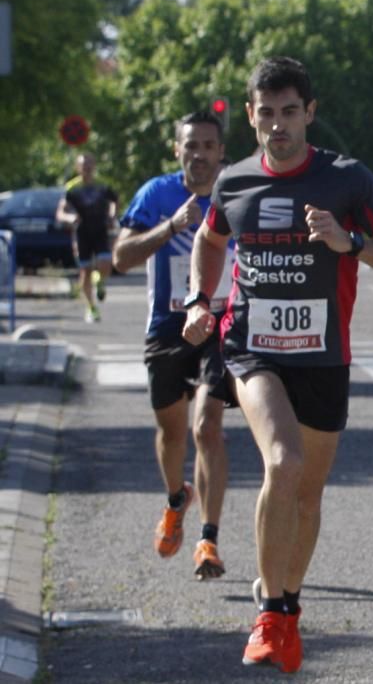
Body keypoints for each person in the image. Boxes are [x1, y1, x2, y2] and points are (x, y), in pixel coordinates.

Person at [183, 56, 373, 672]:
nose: (278, 125)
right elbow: (211, 242)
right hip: (251, 349)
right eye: (266, 113)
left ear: (309, 113)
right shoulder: (233, 182)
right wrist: (198, 300)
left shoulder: (345, 180)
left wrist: (353, 243)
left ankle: (287, 605)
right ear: (250, 116)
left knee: (308, 495)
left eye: (290, 112)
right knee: (282, 463)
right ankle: (269, 613)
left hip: (323, 357)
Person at [113, 110, 238, 580]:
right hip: (167, 327)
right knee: (172, 433)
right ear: (177, 150)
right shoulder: (156, 193)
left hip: (219, 325)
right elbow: (121, 259)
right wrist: (170, 226)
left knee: (207, 427)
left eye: (209, 146)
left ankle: (208, 539)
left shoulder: (236, 190)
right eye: (191, 146)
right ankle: (175, 498)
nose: (200, 155)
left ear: (221, 151)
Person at [56, 153, 119, 322]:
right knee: (85, 271)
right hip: (82, 233)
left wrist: (112, 216)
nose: (87, 169)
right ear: (78, 168)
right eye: (84, 166)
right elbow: (61, 212)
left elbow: (114, 201)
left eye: (90, 165)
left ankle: (99, 281)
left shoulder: (102, 185)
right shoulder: (71, 188)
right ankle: (91, 307)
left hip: (100, 230)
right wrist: (70, 218)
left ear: (94, 166)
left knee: (105, 264)